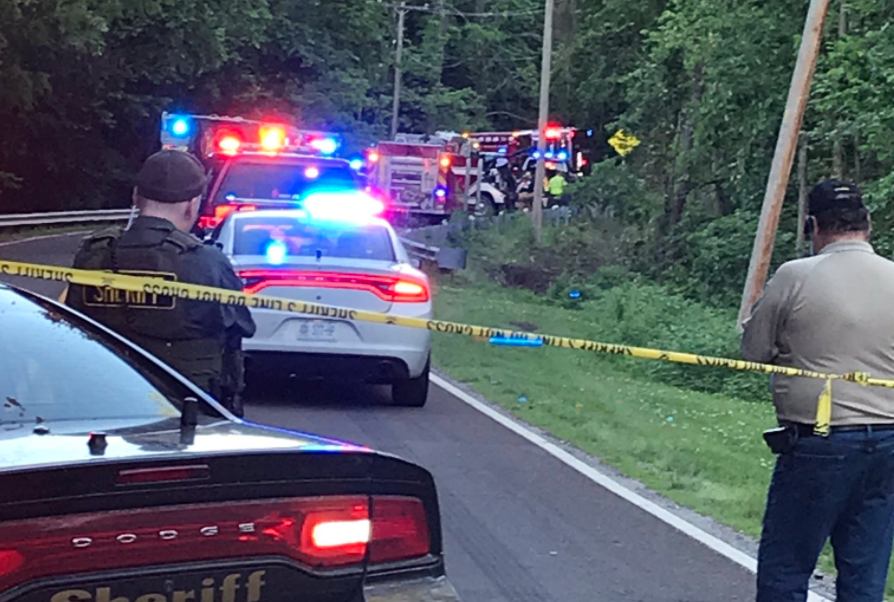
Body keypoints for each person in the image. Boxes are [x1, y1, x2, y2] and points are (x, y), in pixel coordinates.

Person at [742, 179, 894, 602]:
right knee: (865, 573)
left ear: (813, 225)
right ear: (868, 223)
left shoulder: (795, 276)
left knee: (787, 569)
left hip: (819, 440)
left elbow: (754, 352)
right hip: (888, 442)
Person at [65, 150, 256, 416]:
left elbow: (69, 326)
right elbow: (242, 326)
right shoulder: (208, 262)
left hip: (103, 408)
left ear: (135, 196)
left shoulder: (93, 255)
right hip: (189, 411)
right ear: (192, 205)